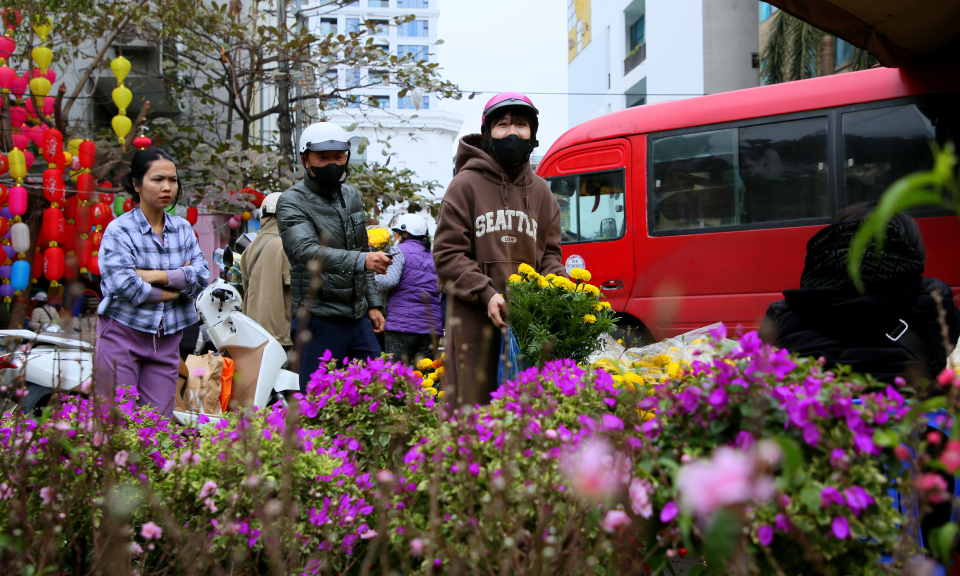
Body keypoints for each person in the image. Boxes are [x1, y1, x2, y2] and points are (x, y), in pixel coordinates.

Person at [433, 92, 567, 405]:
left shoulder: (542, 193)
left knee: (526, 411)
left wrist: (560, 290)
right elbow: (447, 254)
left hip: (526, 322)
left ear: (532, 134)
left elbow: (549, 254)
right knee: (472, 408)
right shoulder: (464, 185)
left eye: (521, 125)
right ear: (487, 133)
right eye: (502, 124)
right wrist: (486, 293)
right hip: (472, 319)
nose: (512, 132)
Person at [760, 202, 960, 386]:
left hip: (815, 420)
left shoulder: (783, 311)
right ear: (909, 248)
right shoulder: (934, 297)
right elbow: (943, 353)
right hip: (913, 422)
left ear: (832, 242)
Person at [96, 147, 211, 417]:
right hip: (122, 334)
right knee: (117, 423)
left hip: (167, 338)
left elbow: (202, 275)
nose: (167, 186)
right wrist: (175, 288)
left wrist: (154, 276)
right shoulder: (119, 230)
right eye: (157, 179)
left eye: (172, 180)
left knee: (156, 426)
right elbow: (123, 284)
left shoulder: (182, 228)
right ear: (137, 184)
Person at [276, 122, 390, 392]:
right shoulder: (291, 200)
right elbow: (307, 252)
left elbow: (362, 249)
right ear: (305, 159)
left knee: (379, 390)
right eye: (323, 157)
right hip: (318, 317)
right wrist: (363, 261)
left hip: (358, 317)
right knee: (319, 400)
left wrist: (373, 303)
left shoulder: (351, 195)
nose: (332, 164)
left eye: (338, 157)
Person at [374, 213, 442, 366]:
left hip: (401, 327)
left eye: (396, 233)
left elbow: (388, 281)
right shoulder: (434, 257)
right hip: (431, 330)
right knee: (427, 380)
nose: (395, 237)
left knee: (395, 378)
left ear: (404, 234)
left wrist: (371, 275)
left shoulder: (398, 252)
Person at [240, 192, 292, 350]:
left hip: (254, 331)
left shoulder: (249, 247)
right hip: (282, 333)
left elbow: (246, 286)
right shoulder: (286, 246)